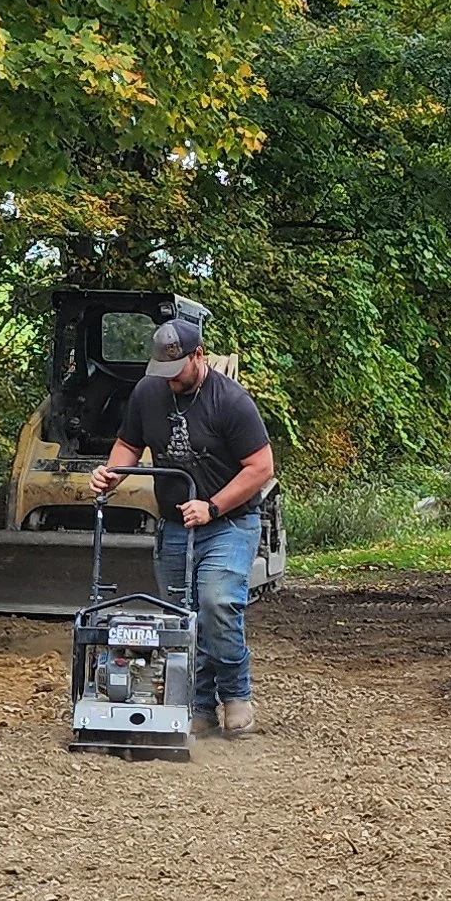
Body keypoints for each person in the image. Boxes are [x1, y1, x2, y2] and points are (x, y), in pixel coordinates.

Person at [91, 306, 275, 736]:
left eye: (177, 368)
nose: (170, 378)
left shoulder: (231, 401)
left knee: (216, 605)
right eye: (163, 369)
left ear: (199, 356)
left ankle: (235, 694)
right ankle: (196, 704)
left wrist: (212, 506)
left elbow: (261, 467)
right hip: (174, 526)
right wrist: (111, 476)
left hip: (228, 524)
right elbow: (127, 444)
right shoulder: (147, 393)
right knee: (181, 616)